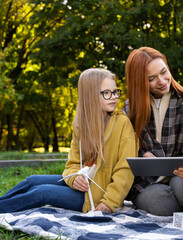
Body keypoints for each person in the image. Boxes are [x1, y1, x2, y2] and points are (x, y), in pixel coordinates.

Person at [0, 68, 137, 213]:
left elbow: (125, 169)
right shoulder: (82, 125)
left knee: (42, 192)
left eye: (115, 92)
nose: (114, 97)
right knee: (32, 180)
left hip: (98, 196)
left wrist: (110, 202)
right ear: (90, 96)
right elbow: (72, 164)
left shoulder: (122, 123)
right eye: (107, 93)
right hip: (85, 185)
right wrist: (75, 178)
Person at [123, 47, 183, 216]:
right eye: (151, 79)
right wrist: (142, 156)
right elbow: (124, 150)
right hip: (148, 182)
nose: (162, 81)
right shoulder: (130, 109)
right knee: (162, 204)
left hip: (182, 177)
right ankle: (182, 206)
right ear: (138, 81)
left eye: (164, 72)